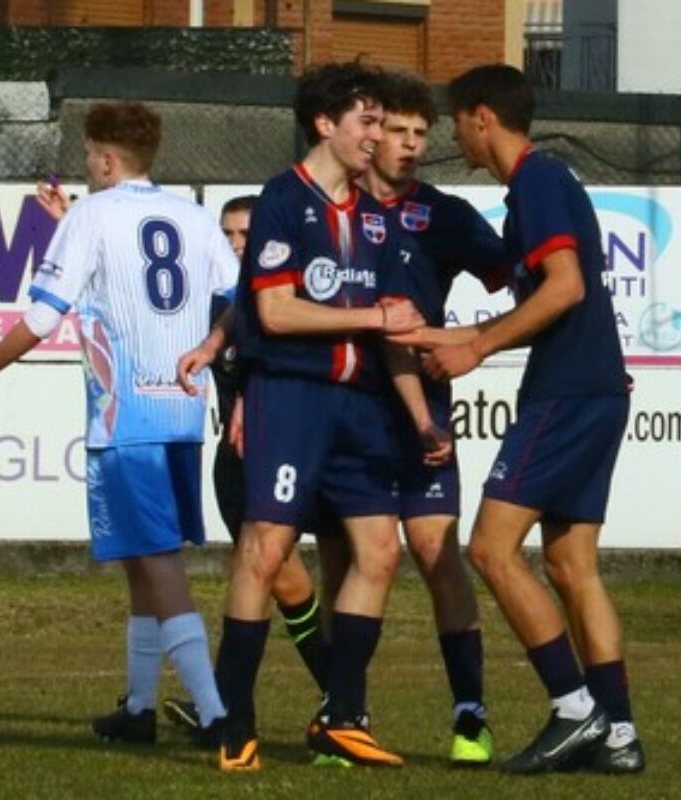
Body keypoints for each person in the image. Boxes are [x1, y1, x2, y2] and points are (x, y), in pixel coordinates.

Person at [186, 62, 450, 772]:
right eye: (365, 121)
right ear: (325, 125)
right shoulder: (282, 200)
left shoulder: (374, 217)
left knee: (380, 552)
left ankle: (340, 715)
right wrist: (367, 315)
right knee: (265, 549)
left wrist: (421, 417)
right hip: (292, 397)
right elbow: (272, 309)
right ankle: (232, 719)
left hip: (363, 405)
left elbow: (393, 326)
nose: (377, 134)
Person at [0, 101, 231, 751]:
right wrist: (211, 346)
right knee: (141, 557)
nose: (86, 164)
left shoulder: (92, 217)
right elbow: (238, 296)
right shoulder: (192, 214)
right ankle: (138, 706)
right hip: (182, 410)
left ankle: (217, 716)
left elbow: (44, 316)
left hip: (125, 413)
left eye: (89, 155)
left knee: (156, 561)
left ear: (104, 158)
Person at [395, 64, 643, 775]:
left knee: (490, 550)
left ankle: (575, 709)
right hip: (594, 387)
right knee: (571, 564)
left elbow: (564, 287)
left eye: (453, 121)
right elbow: (549, 303)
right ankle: (619, 733)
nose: (452, 136)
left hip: (566, 395)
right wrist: (440, 336)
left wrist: (474, 345)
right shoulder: (547, 183)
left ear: (481, 117)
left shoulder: (535, 183)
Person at [314, 70, 508, 766]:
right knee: (351, 557)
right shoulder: (327, 211)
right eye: (396, 130)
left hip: (427, 413)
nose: (409, 145)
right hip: (346, 411)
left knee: (435, 552)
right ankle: (344, 714)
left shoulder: (445, 214)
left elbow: (522, 278)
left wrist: (479, 341)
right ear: (368, 133)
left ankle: (471, 714)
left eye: (421, 133)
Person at [162, 195, 330, 732]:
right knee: (267, 581)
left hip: (279, 456)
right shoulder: (224, 306)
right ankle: (234, 705)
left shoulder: (285, 302)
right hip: (236, 464)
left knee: (281, 581)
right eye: (229, 234)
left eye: (247, 234)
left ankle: (335, 701)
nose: (238, 244)